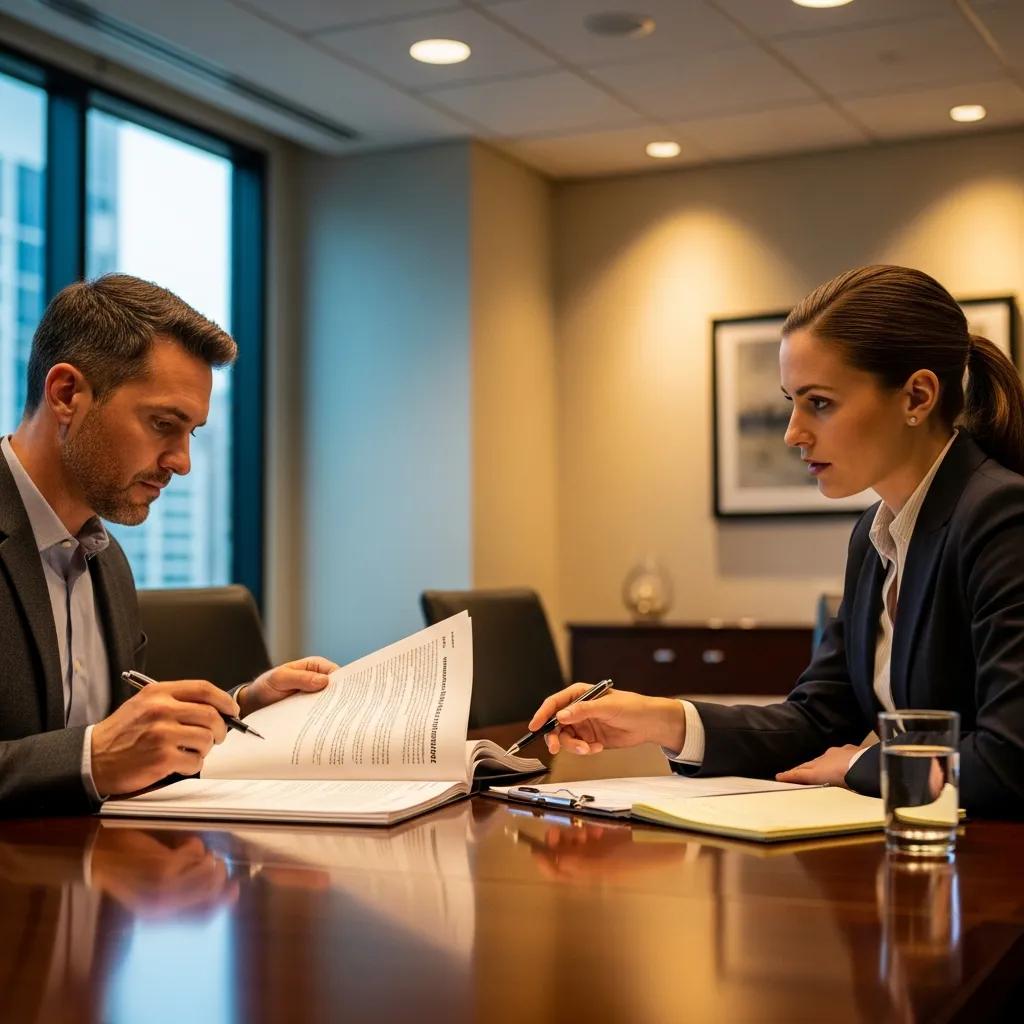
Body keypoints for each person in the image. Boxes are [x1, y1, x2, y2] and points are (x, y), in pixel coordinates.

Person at [531, 265, 1024, 817]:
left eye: (819, 403)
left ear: (917, 396)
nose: (793, 432)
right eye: (791, 401)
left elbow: (1011, 761)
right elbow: (817, 720)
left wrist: (857, 765)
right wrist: (661, 719)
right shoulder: (875, 536)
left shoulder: (1002, 518)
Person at [0, 274, 338, 816]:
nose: (181, 462)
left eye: (191, 434)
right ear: (66, 394)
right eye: (163, 424)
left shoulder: (107, 561)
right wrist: (90, 758)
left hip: (92, 881)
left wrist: (241, 707)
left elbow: (126, 741)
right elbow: (98, 751)